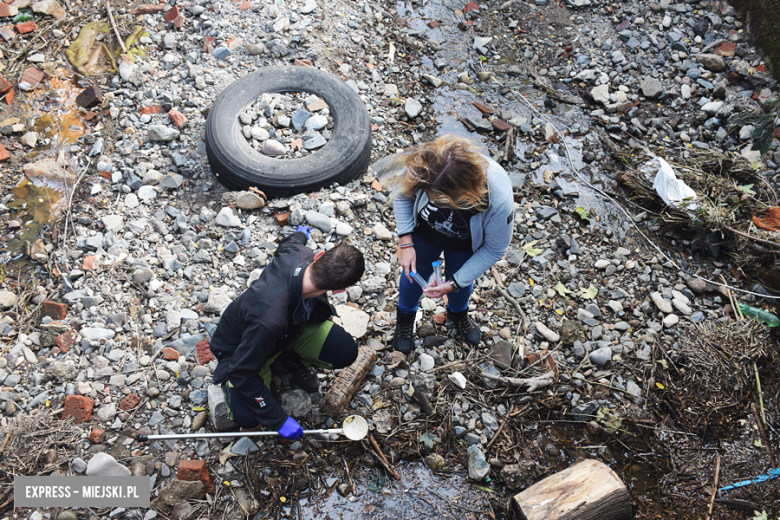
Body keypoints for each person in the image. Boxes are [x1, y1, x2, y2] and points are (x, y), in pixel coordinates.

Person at [209, 226, 365, 440]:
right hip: (242, 348)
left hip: (290, 330)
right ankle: (268, 368)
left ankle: (289, 359)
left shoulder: (300, 254)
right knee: (248, 417)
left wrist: (301, 233)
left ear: (318, 256)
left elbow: (290, 243)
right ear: (339, 290)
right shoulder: (269, 320)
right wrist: (279, 420)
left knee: (345, 351)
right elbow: (241, 372)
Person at [390, 135, 515, 353]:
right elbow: (402, 195)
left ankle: (458, 314)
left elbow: (495, 248)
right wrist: (406, 242)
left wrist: (453, 283)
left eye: (441, 201)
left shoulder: (498, 197)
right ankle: (405, 317)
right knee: (412, 274)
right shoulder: (427, 164)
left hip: (465, 243)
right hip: (424, 233)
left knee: (461, 281)